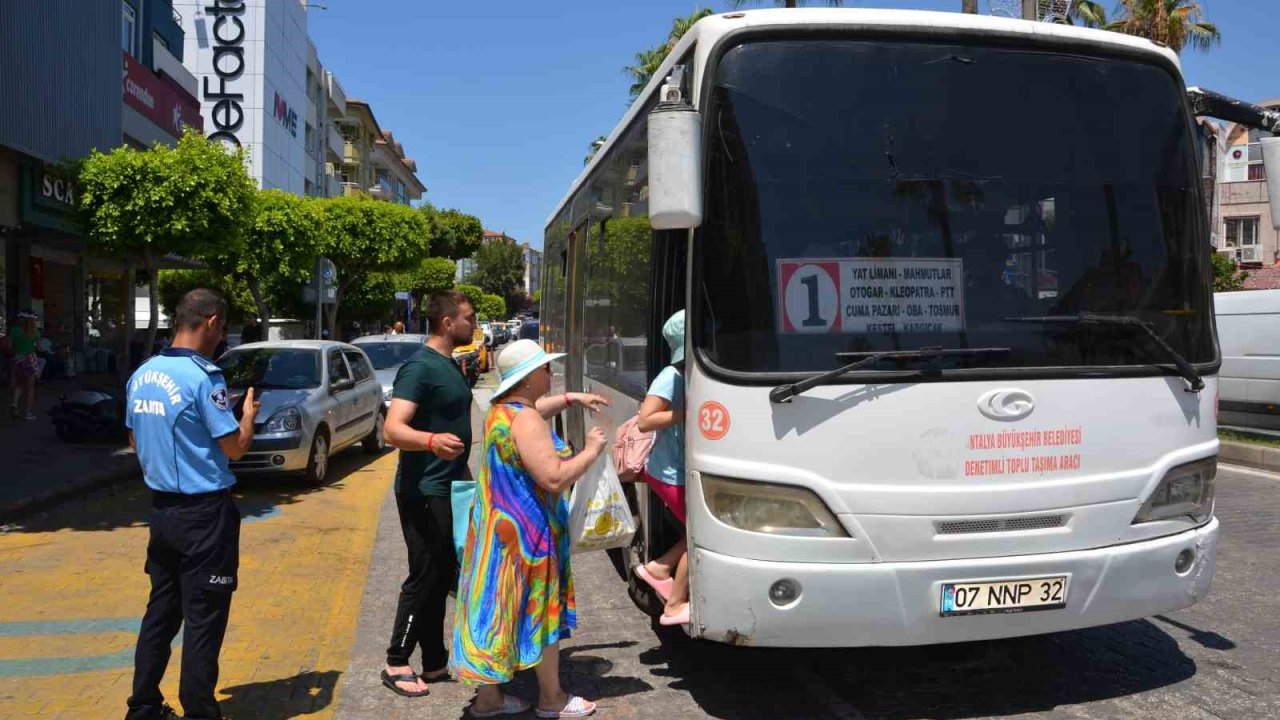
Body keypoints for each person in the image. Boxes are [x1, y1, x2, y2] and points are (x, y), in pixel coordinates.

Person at [451, 339, 608, 719]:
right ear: (527, 378)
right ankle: (552, 699)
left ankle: (488, 700)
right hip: (529, 538)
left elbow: (534, 410)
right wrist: (590, 450)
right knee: (540, 613)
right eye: (544, 369)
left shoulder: (501, 412)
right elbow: (553, 477)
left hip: (495, 532)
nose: (549, 374)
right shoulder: (526, 420)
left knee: (494, 608)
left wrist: (570, 399)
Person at [123, 289, 260, 720]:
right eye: (223, 328)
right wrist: (249, 416)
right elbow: (235, 448)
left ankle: (143, 706)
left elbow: (134, 439)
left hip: (162, 511)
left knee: (161, 613)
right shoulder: (205, 377)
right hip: (204, 515)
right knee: (204, 620)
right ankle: (200, 710)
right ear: (213, 322)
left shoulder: (143, 373)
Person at [379, 291, 478, 697]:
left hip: (448, 485)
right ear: (447, 323)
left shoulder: (448, 363)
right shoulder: (419, 367)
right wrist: (432, 439)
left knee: (441, 574)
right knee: (426, 574)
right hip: (424, 489)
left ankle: (434, 662)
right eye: (469, 318)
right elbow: (392, 429)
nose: (474, 323)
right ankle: (396, 661)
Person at [633, 310, 690, 625]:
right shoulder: (671, 376)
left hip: (673, 471)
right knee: (701, 536)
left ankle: (658, 568)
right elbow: (645, 421)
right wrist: (683, 413)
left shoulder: (686, 373)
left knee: (696, 532)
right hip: (670, 473)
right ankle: (675, 604)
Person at [9, 310, 42, 420]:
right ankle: (28, 414)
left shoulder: (14, 331)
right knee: (30, 388)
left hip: (18, 359)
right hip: (30, 360)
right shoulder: (35, 332)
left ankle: (14, 403)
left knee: (19, 384)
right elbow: (39, 348)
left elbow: (9, 347)